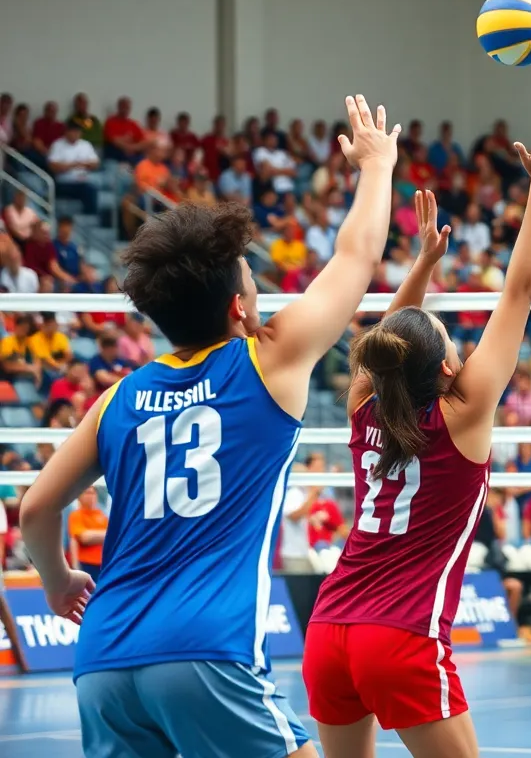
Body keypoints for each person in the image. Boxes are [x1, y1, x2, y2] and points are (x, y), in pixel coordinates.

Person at [19, 94, 402, 758]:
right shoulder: (268, 359)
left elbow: (36, 508)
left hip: (103, 660)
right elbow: (357, 255)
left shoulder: (116, 398)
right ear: (238, 307)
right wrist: (378, 165)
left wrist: (59, 583)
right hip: (207, 653)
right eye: (254, 284)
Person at [302, 115, 531, 758]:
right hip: (400, 635)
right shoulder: (463, 415)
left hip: (327, 630)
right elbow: (519, 291)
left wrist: (423, 267)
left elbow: (388, 342)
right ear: (449, 370)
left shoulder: (362, 405)